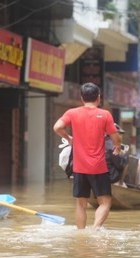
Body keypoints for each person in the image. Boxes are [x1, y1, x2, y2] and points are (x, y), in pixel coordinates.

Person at [53, 82, 121, 230]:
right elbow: (116, 138)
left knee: (81, 204)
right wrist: (117, 147)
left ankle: (81, 234)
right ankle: (95, 229)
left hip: (79, 167)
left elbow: (57, 127)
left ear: (82, 98)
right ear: (98, 98)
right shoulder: (105, 115)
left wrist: (69, 138)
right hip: (99, 167)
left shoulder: (72, 113)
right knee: (105, 203)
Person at [105, 123, 129, 188]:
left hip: (99, 175)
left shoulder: (102, 141)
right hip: (110, 177)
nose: (119, 136)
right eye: (118, 133)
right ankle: (120, 184)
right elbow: (119, 164)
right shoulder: (113, 145)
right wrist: (124, 154)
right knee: (126, 161)